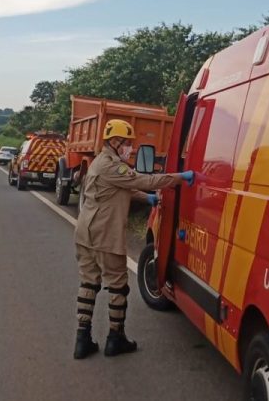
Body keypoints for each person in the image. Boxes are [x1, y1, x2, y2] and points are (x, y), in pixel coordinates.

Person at [73, 119, 194, 359]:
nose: (130, 148)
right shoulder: (113, 166)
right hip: (105, 236)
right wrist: (181, 177)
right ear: (115, 142)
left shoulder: (100, 161)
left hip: (85, 233)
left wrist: (145, 198)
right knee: (119, 286)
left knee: (89, 283)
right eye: (127, 143)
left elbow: (121, 188)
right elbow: (143, 180)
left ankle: (82, 340)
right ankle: (115, 339)